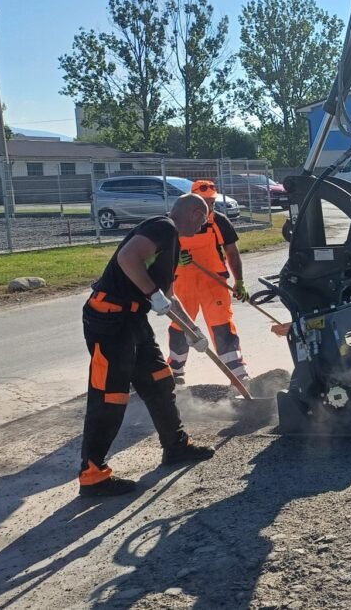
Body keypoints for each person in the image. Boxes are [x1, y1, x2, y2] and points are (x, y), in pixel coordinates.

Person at [79, 194, 216, 497]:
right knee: (110, 395)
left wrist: (193, 331)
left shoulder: (172, 242)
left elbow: (169, 297)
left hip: (133, 320)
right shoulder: (162, 226)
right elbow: (128, 258)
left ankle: (175, 446)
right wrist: (153, 293)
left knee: (159, 381)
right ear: (194, 212)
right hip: (110, 318)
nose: (203, 226)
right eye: (204, 219)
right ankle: (92, 475)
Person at [168, 180, 252, 385]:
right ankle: (175, 372)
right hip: (183, 285)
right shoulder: (173, 222)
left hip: (213, 284)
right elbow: (158, 252)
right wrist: (175, 257)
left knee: (222, 326)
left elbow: (232, 252)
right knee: (181, 326)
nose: (209, 207)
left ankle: (238, 373)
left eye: (212, 202)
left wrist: (239, 281)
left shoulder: (219, 222)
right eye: (206, 202)